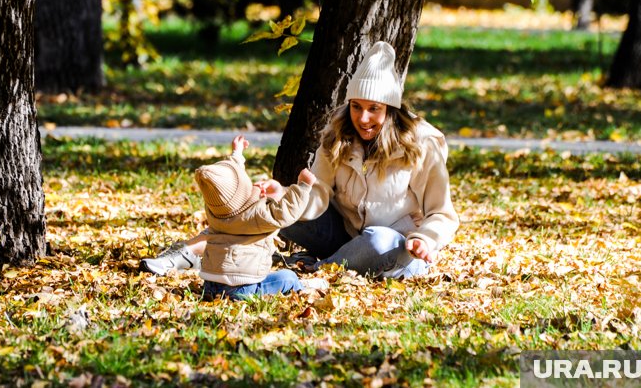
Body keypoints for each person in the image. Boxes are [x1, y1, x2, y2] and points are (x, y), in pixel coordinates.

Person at [142, 40, 459, 280]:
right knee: (269, 210)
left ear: (389, 109)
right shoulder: (338, 136)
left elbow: (443, 215)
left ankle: (315, 268)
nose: (363, 118)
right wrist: (285, 197)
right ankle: (192, 253)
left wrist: (423, 240)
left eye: (374, 108)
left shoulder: (420, 145)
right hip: (343, 236)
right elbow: (318, 195)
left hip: (398, 249)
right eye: (356, 106)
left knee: (379, 241)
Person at [142, 134, 322, 300]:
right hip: (240, 289)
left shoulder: (215, 211)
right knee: (287, 277)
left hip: (210, 286)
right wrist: (303, 187)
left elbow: (226, 185)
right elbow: (286, 212)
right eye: (247, 184)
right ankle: (301, 287)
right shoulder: (257, 215)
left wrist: (237, 154)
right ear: (242, 194)